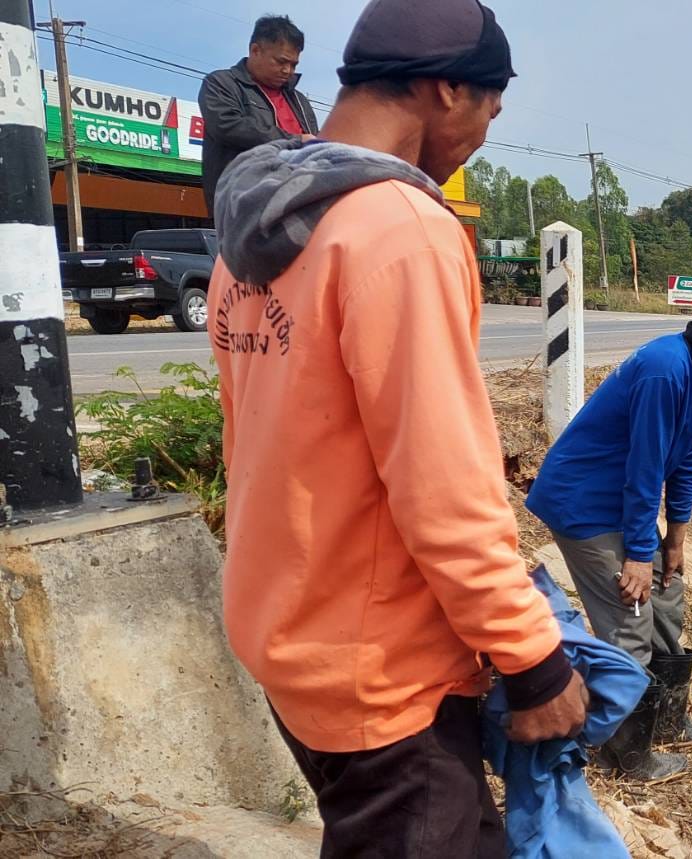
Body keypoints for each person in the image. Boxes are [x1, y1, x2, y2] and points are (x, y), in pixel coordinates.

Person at [208, 2, 587, 855]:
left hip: (288, 636)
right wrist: (533, 658)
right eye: (490, 110)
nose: (482, 137)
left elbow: (252, 440)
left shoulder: (252, 234)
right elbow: (443, 485)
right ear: (447, 88)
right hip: (382, 674)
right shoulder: (401, 228)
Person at [528, 264, 692, 781]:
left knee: (666, 596)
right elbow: (644, 470)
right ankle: (625, 754)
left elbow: (689, 462)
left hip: (621, 501)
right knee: (631, 617)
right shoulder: (666, 370)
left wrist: (674, 542)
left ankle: (665, 720)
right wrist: (639, 556)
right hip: (584, 502)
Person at [197, 15, 321, 219]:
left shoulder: (299, 100)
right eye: (281, 61)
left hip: (297, 205)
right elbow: (228, 126)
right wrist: (296, 140)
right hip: (243, 205)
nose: (287, 70)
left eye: (294, 65)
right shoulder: (220, 83)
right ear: (255, 50)